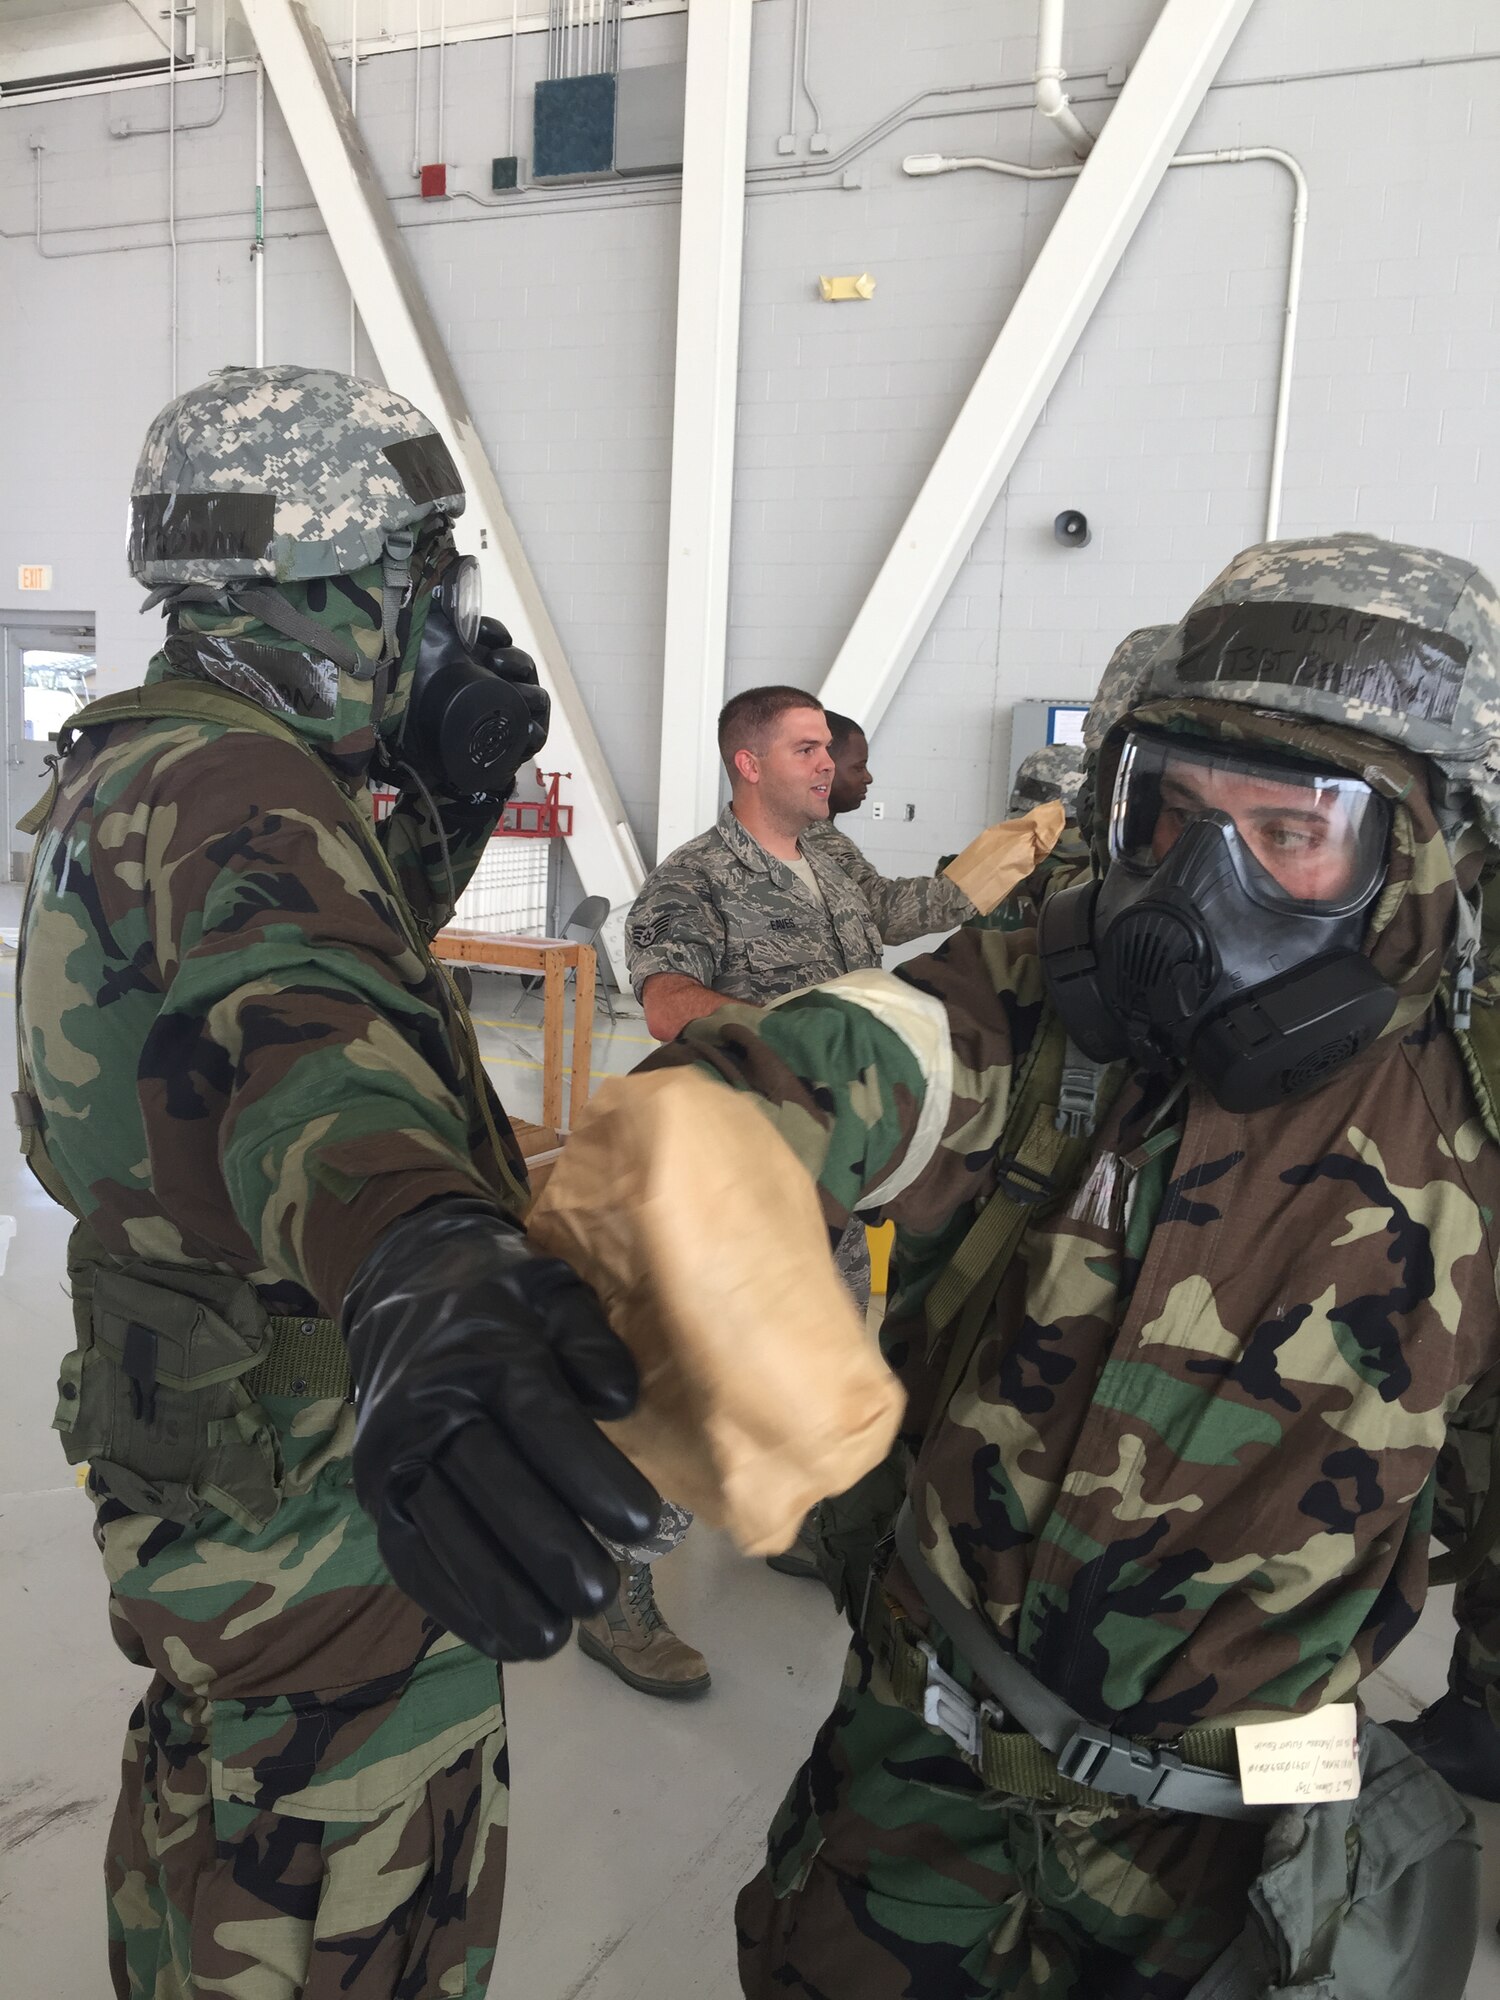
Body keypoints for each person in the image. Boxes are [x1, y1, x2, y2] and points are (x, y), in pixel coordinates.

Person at [598, 534, 1500, 1996]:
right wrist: (628, 1209)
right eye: (1175, 816)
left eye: (1291, 831)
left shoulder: (1472, 1117)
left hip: (1226, 1861)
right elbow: (840, 1059)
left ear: (1421, 858)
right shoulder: (1045, 999)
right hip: (917, 1776)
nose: (1206, 886)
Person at [14, 364, 660, 1999]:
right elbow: (314, 1054)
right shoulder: (250, 798)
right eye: (415, 576)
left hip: (211, 1479)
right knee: (342, 1891)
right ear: (304, 588)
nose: (441, 615)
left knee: (214, 1814)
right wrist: (426, 1248)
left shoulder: (144, 760)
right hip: (323, 1507)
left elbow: (256, 1005)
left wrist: (430, 817)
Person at [805, 708, 989, 941]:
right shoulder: (812, 838)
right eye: (858, 767)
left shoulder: (813, 831)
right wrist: (997, 869)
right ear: (823, 767)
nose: (868, 777)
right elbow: (883, 912)